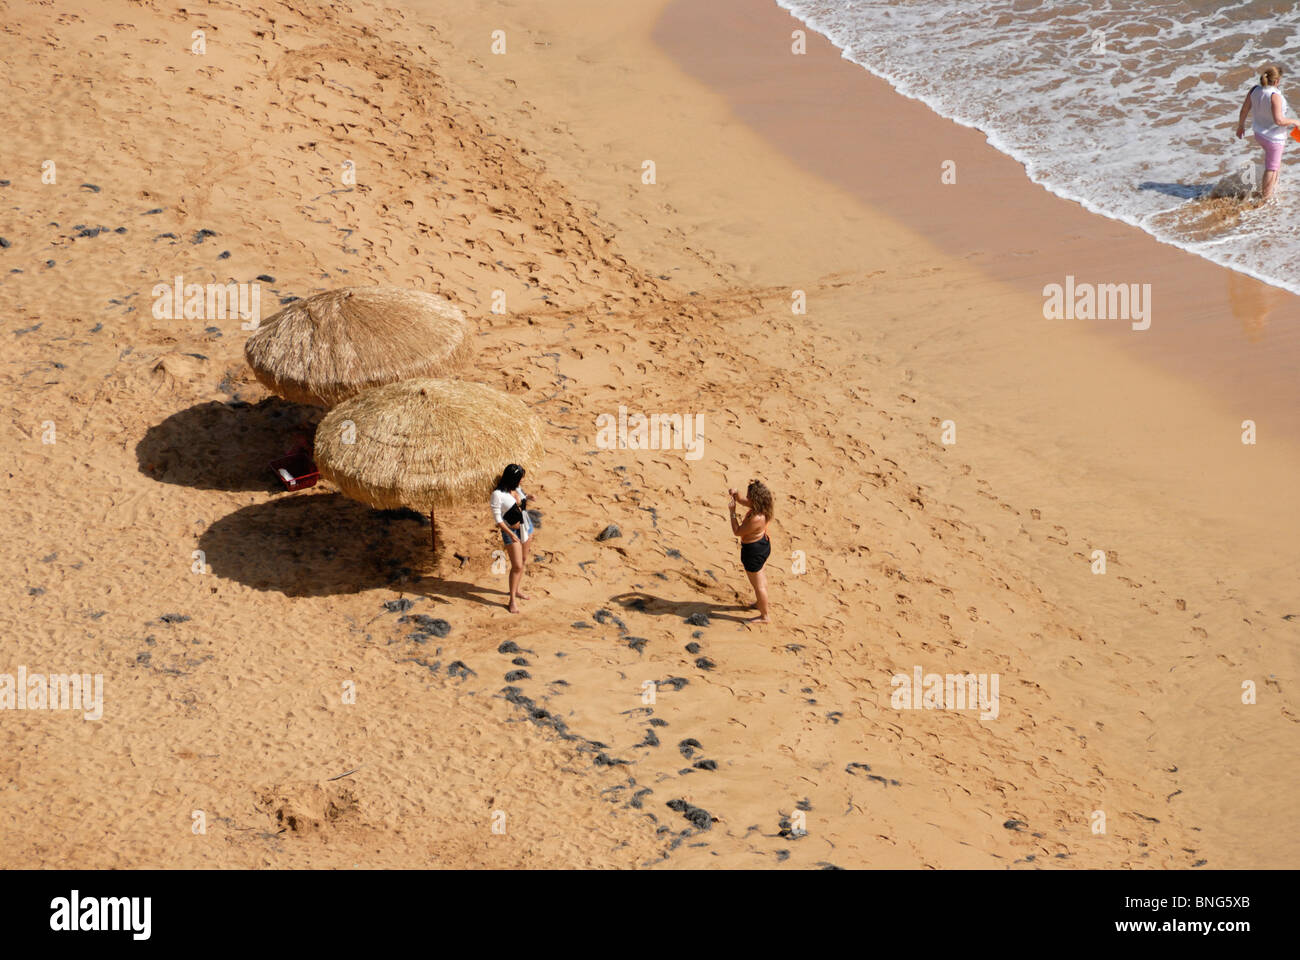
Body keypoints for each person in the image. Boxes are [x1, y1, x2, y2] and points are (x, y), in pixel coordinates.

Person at [1237, 64, 1300, 201]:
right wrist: (1295, 122)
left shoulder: (1255, 90)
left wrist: (1240, 126)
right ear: (1277, 81)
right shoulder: (1274, 95)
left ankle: (1272, 189)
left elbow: (1244, 110)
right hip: (1274, 138)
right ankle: (1266, 198)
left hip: (1259, 134)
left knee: (1274, 164)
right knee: (1271, 168)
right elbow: (1279, 120)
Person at [728, 479, 773, 624]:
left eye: (749, 496)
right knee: (760, 578)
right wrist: (736, 494)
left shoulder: (756, 518)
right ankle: (760, 602)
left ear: (755, 498)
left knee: (758, 585)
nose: (746, 498)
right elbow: (742, 500)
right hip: (763, 545)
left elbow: (737, 531)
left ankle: (765, 616)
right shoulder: (762, 506)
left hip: (753, 552)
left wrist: (732, 513)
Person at [491, 463, 535, 613]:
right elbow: (498, 520)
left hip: (526, 526)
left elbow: (521, 499)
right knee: (516, 565)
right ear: (513, 479)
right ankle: (512, 600)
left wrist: (528, 497)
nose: (522, 481)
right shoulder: (497, 495)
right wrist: (510, 534)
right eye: (520, 478)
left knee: (522, 561)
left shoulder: (516, 488)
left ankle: (516, 590)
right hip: (512, 532)